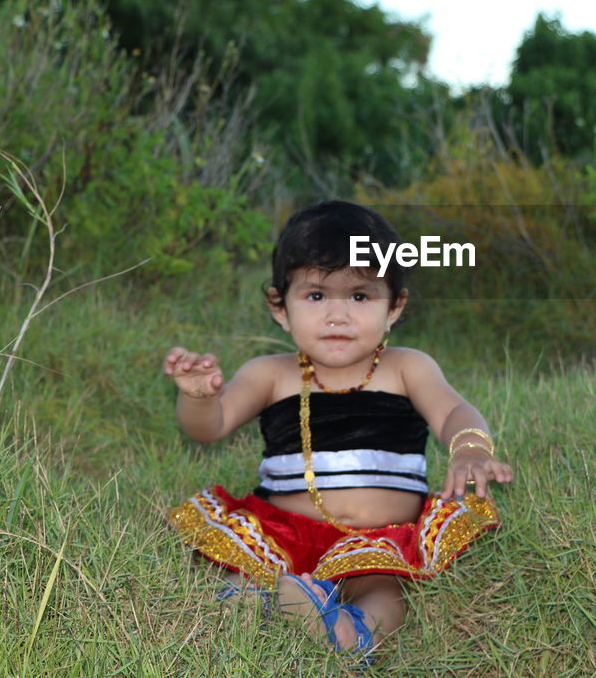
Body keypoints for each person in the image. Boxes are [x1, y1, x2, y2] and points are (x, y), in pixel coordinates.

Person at [165, 200, 512, 663]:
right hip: (284, 534)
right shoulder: (270, 374)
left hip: (379, 540)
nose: (337, 315)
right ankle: (247, 615)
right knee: (249, 577)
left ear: (395, 306)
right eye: (315, 296)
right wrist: (198, 399)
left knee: (386, 594)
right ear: (279, 308)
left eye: (360, 296)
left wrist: (469, 448)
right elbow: (210, 427)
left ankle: (350, 633)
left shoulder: (407, 367)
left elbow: (454, 411)